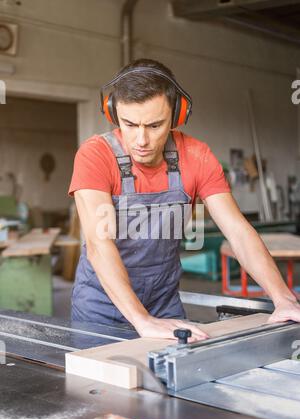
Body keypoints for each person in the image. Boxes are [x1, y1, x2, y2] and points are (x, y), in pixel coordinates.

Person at [69, 58, 300, 341]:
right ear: (113, 112)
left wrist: (283, 298)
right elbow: (98, 244)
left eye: (154, 125)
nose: (141, 140)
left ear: (177, 115)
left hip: (164, 303)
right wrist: (142, 320)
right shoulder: (95, 155)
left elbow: (238, 232)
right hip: (101, 307)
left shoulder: (197, 156)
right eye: (129, 124)